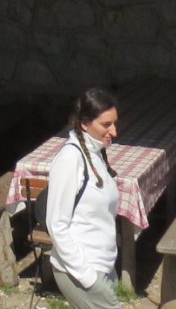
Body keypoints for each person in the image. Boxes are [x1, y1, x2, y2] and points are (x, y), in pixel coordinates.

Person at [44, 87, 121, 308]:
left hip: (102, 266)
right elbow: (56, 224)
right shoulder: (70, 159)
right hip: (82, 272)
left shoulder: (97, 153)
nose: (114, 131)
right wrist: (87, 276)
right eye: (106, 125)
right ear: (85, 124)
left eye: (114, 123)